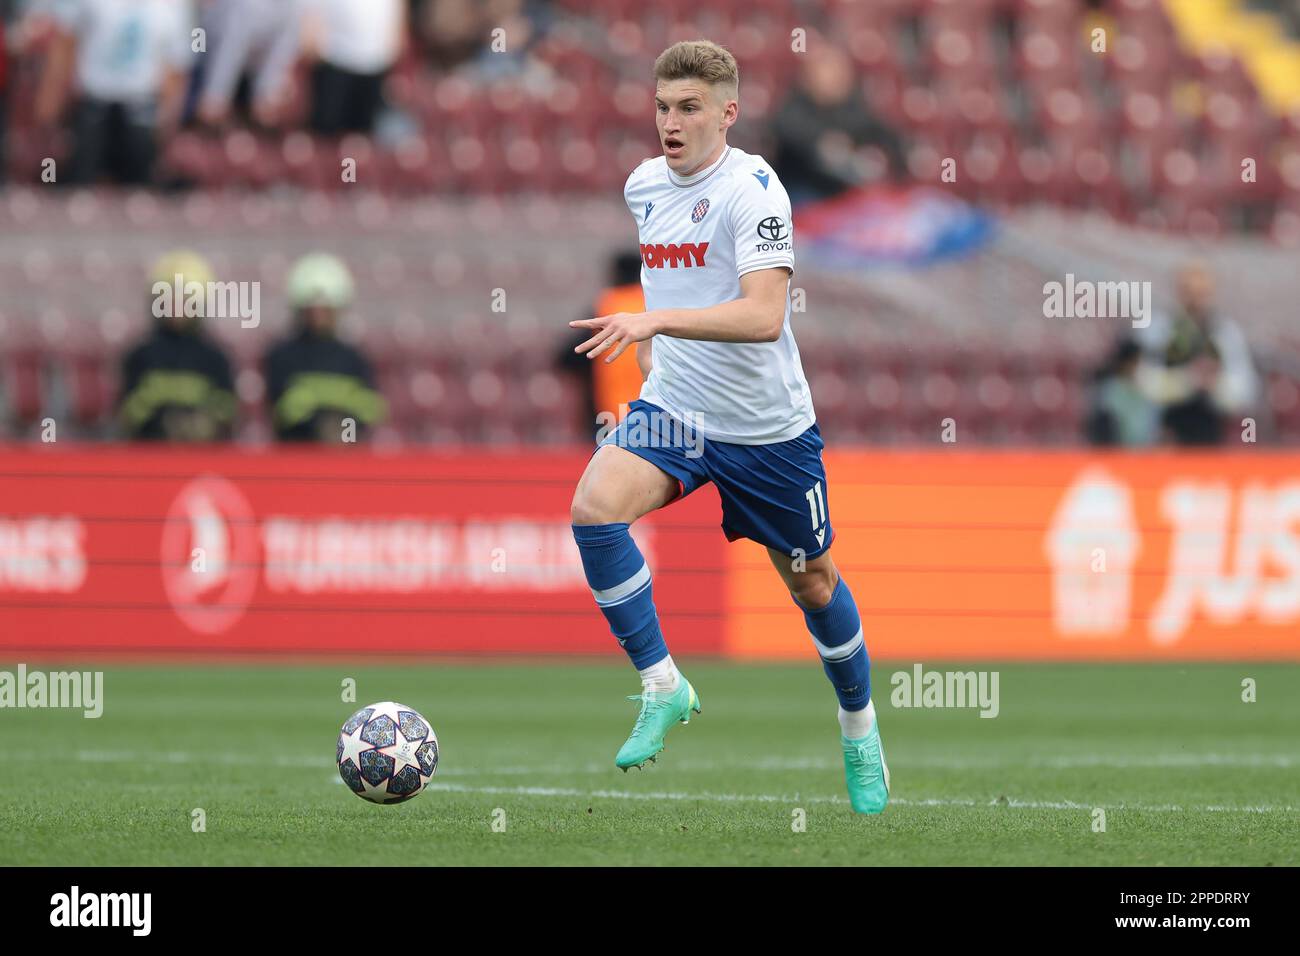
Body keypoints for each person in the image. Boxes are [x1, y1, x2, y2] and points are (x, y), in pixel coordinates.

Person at [567, 40, 889, 814]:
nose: (670, 123)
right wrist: (659, 356)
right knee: (593, 510)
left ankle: (859, 727)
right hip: (678, 411)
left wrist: (656, 324)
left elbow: (762, 314)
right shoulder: (644, 186)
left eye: (688, 109)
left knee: (812, 582)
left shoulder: (755, 191)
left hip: (766, 429)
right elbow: (672, 277)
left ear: (727, 114)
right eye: (662, 108)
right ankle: (662, 684)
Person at [35, 0, 194, 186]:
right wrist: (51, 100)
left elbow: (177, 67)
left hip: (141, 108)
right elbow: (65, 42)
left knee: (140, 184)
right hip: (92, 104)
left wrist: (168, 121)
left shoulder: (175, 6)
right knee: (77, 180)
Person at [263, 253, 385, 442]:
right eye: (313, 310)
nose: (318, 316)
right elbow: (280, 413)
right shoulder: (281, 357)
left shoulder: (354, 359)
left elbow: (367, 415)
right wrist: (320, 427)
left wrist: (343, 433)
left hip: (344, 463)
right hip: (296, 460)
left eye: (325, 310)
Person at [119, 251, 236, 441]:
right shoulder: (140, 356)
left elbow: (228, 414)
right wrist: (161, 420)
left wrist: (204, 423)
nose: (177, 306)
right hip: (149, 457)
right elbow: (126, 416)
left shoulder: (215, 358)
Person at [556, 251, 647, 439]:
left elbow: (568, 357)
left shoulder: (607, 306)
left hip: (609, 413)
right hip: (652, 409)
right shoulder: (654, 308)